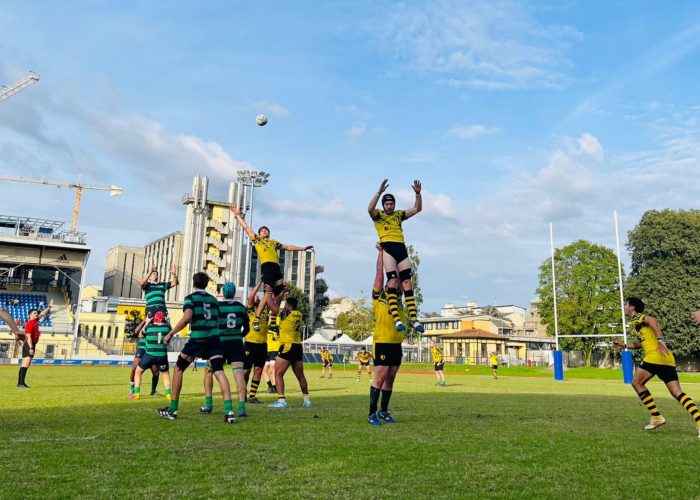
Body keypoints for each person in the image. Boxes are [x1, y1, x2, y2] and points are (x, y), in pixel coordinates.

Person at [612, 297, 700, 437]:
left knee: (636, 383)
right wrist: (625, 346)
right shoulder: (636, 323)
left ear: (632, 307)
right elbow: (642, 342)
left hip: (654, 356)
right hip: (666, 358)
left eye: (625, 304)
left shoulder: (639, 318)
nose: (623, 307)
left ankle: (657, 417)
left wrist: (660, 339)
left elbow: (652, 320)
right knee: (677, 393)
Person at [159, 271, 236, 423]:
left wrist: (171, 334)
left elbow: (187, 318)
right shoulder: (214, 300)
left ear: (193, 283)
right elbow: (218, 322)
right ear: (206, 284)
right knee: (219, 372)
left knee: (179, 368)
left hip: (198, 339)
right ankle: (229, 411)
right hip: (214, 340)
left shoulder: (190, 298)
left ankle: (173, 410)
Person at [229, 204, 313, 331]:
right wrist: (237, 214)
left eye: (266, 230)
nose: (265, 231)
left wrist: (302, 248)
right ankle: (257, 318)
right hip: (267, 266)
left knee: (280, 293)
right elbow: (246, 227)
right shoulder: (257, 240)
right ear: (259, 234)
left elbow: (288, 247)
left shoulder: (274, 242)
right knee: (267, 293)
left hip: (276, 268)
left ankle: (273, 319)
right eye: (262, 230)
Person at [368, 179, 423, 333]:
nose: (389, 206)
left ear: (394, 204)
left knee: (407, 282)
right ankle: (397, 318)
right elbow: (369, 208)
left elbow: (417, 208)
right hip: (388, 249)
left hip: (401, 249)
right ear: (384, 205)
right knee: (392, 282)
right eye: (387, 204)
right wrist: (379, 192)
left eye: (391, 204)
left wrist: (418, 194)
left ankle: (413, 318)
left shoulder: (399, 215)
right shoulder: (378, 215)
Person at [200, 282, 249, 417]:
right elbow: (247, 329)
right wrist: (238, 335)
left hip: (219, 343)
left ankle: (208, 404)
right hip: (236, 344)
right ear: (234, 293)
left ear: (223, 292)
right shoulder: (241, 308)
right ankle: (241, 408)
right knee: (239, 374)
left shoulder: (217, 307)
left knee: (209, 370)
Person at [367, 245, 403, 425]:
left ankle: (383, 412)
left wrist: (394, 254)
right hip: (382, 342)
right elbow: (380, 274)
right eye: (391, 280)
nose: (394, 282)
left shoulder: (399, 299)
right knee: (380, 378)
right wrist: (382, 253)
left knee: (390, 379)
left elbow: (397, 273)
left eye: (395, 281)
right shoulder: (379, 296)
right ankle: (371, 414)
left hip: (396, 344)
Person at [265, 294, 312, 409]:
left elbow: (272, 305)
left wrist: (269, 293)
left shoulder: (286, 314)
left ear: (289, 306)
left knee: (278, 374)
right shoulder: (298, 314)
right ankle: (307, 401)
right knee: (300, 375)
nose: (284, 306)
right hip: (297, 346)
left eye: (286, 304)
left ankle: (281, 401)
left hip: (287, 346)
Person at [129, 311, 172, 400]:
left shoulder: (149, 327)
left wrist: (148, 322)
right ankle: (168, 394)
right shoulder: (167, 328)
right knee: (165, 374)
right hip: (162, 355)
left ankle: (136, 393)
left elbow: (140, 335)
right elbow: (170, 331)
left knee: (138, 371)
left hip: (149, 355)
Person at [243, 280, 268, 404]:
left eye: (259, 297)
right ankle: (243, 393)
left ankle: (252, 396)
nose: (257, 297)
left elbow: (268, 297)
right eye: (255, 297)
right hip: (250, 343)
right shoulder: (250, 310)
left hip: (262, 344)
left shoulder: (265, 310)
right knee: (246, 371)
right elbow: (252, 296)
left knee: (258, 370)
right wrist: (260, 283)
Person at [17, 300, 53, 388]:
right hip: (29, 344)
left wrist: (49, 307)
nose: (36, 314)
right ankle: (21, 383)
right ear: (30, 314)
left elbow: (43, 313)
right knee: (26, 363)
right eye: (34, 313)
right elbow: (28, 337)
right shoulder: (30, 323)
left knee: (27, 363)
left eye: (37, 313)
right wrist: (31, 348)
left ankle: (21, 383)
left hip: (32, 344)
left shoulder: (35, 321)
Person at [265, 312, 281, 394]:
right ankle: (270, 387)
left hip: (275, 349)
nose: (270, 318)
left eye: (272, 317)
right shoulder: (266, 326)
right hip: (266, 350)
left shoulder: (277, 326)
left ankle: (275, 387)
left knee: (272, 368)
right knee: (263, 370)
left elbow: (277, 317)